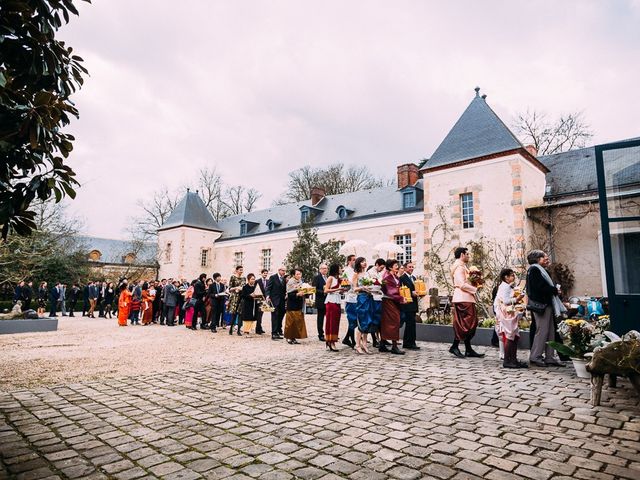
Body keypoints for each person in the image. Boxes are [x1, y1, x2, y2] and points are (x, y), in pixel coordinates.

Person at [527, 250, 567, 367]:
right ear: (537, 259)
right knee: (542, 331)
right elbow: (539, 287)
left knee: (550, 331)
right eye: (544, 258)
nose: (547, 259)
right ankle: (535, 356)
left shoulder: (539, 270)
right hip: (541, 304)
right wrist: (554, 290)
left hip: (546, 304)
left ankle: (550, 357)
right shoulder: (534, 270)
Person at [449, 247, 484, 358]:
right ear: (462, 255)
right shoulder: (459, 267)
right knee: (466, 324)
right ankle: (455, 346)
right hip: (462, 298)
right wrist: (475, 289)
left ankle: (468, 349)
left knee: (470, 323)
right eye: (467, 254)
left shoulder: (462, 266)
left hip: (466, 298)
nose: (469, 256)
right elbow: (462, 284)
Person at [494, 268, 528, 369]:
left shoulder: (507, 286)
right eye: (512, 275)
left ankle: (513, 359)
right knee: (510, 335)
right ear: (506, 277)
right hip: (506, 313)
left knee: (514, 336)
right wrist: (517, 299)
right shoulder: (504, 287)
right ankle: (507, 360)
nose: (514, 277)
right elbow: (505, 301)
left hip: (509, 313)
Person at [380, 259, 406, 355]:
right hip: (388, 301)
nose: (397, 266)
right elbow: (390, 292)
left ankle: (382, 343)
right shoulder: (387, 277)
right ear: (390, 267)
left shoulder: (394, 276)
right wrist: (401, 298)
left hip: (393, 301)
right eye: (395, 265)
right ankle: (394, 346)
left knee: (388, 322)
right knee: (394, 321)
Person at [353, 257, 376, 354]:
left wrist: (372, 288)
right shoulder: (356, 274)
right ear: (358, 263)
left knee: (368, 321)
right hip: (361, 298)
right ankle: (357, 345)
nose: (364, 263)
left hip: (369, 297)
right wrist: (363, 287)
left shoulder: (368, 274)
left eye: (365, 261)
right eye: (362, 262)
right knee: (361, 321)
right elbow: (354, 289)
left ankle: (365, 344)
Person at [399, 262, 420, 350]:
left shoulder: (414, 278)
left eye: (412, 267)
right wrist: (411, 293)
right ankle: (408, 343)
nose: (411, 268)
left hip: (414, 304)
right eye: (409, 267)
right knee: (409, 324)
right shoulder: (402, 278)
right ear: (405, 268)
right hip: (407, 304)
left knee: (412, 324)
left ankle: (412, 342)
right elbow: (401, 290)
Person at [284, 269, 308, 344]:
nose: (299, 275)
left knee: (297, 322)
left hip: (299, 304)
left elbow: (305, 292)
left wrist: (307, 292)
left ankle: (294, 337)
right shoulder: (290, 282)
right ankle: (288, 337)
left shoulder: (301, 282)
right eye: (297, 274)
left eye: (300, 274)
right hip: (292, 305)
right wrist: (297, 294)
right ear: (294, 275)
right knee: (290, 322)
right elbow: (289, 294)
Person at [323, 263, 342, 351]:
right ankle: (330, 341)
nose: (341, 269)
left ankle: (333, 339)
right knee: (331, 322)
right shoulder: (330, 278)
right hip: (331, 301)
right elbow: (326, 290)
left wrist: (342, 290)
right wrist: (337, 289)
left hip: (337, 300)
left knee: (336, 322)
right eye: (340, 268)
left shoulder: (339, 279)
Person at [266, 266, 287, 340]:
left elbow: (284, 290)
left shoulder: (284, 279)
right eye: (283, 270)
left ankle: (278, 331)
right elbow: (268, 288)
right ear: (279, 270)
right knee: (274, 317)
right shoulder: (273, 277)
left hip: (282, 301)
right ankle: (274, 334)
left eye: (285, 271)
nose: (284, 272)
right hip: (274, 300)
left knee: (280, 317)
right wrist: (268, 296)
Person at [342, 254, 357, 348]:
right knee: (352, 319)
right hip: (350, 297)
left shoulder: (355, 271)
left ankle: (347, 338)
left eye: (355, 260)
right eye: (353, 260)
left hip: (356, 297)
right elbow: (347, 283)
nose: (355, 261)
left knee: (355, 320)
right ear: (349, 261)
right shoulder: (346, 271)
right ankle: (350, 339)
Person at [227, 266, 246, 336]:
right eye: (240, 270)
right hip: (235, 297)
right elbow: (229, 288)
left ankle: (238, 330)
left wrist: (242, 289)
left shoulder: (244, 278)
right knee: (234, 314)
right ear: (237, 270)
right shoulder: (233, 277)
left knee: (240, 314)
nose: (241, 271)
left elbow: (244, 287)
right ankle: (231, 329)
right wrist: (236, 288)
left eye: (242, 270)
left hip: (241, 297)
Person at [312, 264, 328, 342]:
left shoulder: (328, 278)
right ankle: (320, 334)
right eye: (323, 268)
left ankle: (329, 334)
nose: (325, 270)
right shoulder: (317, 278)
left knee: (328, 318)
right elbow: (314, 289)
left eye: (326, 268)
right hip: (321, 300)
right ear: (320, 270)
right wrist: (324, 292)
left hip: (328, 300)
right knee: (320, 318)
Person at [254, 269, 268, 335]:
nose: (265, 274)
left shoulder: (268, 281)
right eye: (264, 273)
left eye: (266, 273)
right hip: (258, 300)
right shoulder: (257, 281)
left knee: (261, 314)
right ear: (261, 274)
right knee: (258, 314)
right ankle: (258, 329)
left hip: (265, 300)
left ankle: (260, 327)